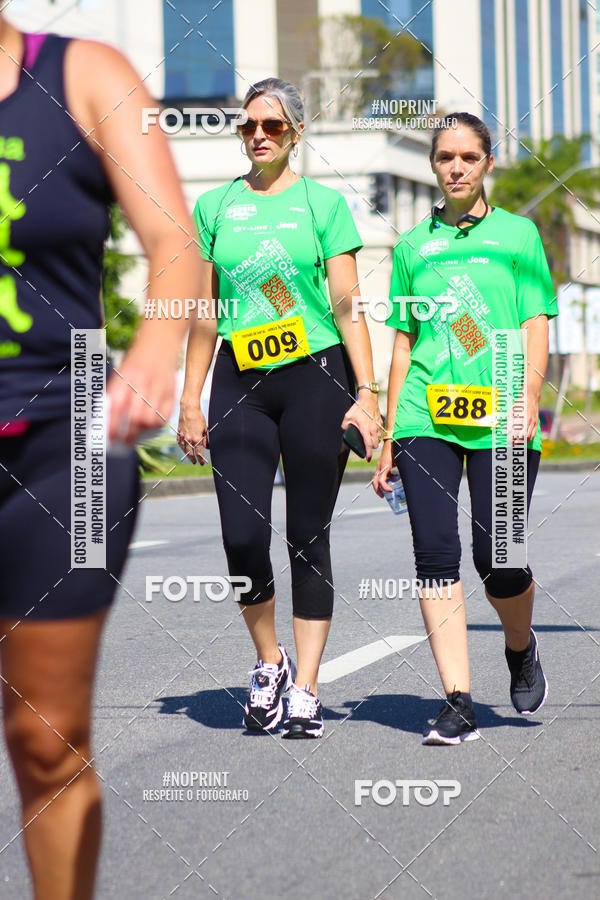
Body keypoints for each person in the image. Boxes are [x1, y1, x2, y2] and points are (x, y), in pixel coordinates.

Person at [0, 18, 201, 899]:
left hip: (69, 441)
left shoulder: (84, 74)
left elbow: (176, 243)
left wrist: (156, 354)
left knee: (46, 738)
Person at [178, 77, 381, 739]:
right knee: (241, 538)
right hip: (240, 379)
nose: (258, 135)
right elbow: (206, 314)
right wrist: (190, 397)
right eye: (248, 126)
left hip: (315, 375)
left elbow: (348, 307)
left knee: (307, 535)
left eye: (271, 125)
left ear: (295, 132)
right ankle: (270, 662)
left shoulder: (324, 206)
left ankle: (309, 688)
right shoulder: (215, 206)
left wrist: (368, 394)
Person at [373, 112, 557, 745]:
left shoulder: (518, 236)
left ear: (487, 165)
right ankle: (457, 698)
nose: (455, 168)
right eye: (445, 157)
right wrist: (392, 432)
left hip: (503, 411)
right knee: (433, 553)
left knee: (498, 559)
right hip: (427, 413)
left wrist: (530, 395)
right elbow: (403, 344)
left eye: (468, 158)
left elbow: (537, 321)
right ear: (433, 165)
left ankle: (519, 644)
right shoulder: (410, 248)